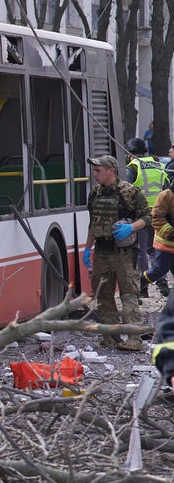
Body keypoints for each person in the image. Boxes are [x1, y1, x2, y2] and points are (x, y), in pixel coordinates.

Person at [82, 154, 151, 351]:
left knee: (128, 294)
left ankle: (134, 339)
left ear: (111, 171)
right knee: (103, 295)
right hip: (102, 252)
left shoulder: (128, 192)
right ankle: (111, 336)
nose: (94, 174)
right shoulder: (95, 194)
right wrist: (88, 248)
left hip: (125, 254)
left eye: (98, 171)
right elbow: (93, 222)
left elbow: (147, 216)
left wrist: (131, 228)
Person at [124, 138, 166, 296]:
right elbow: (167, 189)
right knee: (156, 249)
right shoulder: (159, 166)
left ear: (130, 154)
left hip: (140, 214)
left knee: (141, 251)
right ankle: (163, 284)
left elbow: (125, 191)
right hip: (160, 212)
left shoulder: (133, 167)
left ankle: (143, 288)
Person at [143, 186, 174, 296]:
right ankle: (135, 287)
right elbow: (156, 218)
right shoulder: (167, 195)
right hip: (166, 245)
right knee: (158, 270)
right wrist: (170, 233)